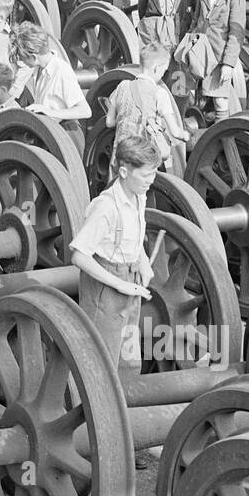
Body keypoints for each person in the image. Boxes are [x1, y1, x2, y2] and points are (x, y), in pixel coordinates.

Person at [69, 134, 159, 467]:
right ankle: (95, 447)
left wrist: (143, 264)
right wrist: (118, 283)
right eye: (145, 173)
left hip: (129, 287)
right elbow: (79, 255)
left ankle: (124, 441)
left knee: (128, 364)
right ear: (123, 170)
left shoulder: (139, 197)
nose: (151, 179)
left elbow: (137, 241)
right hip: (106, 291)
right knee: (100, 369)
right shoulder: (106, 207)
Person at [106, 42, 190, 177]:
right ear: (157, 68)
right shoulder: (160, 93)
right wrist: (185, 135)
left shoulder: (122, 86)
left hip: (120, 156)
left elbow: (109, 122)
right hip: (142, 160)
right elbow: (174, 131)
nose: (162, 75)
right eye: (164, 71)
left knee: (115, 193)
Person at [136, 0, 197, 100]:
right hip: (156, 41)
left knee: (179, 83)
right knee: (156, 81)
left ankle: (179, 116)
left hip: (178, 42)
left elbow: (197, 11)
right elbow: (143, 11)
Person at [14, 21, 91, 150]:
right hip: (49, 133)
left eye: (22, 57)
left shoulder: (61, 71)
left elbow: (85, 111)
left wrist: (51, 112)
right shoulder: (37, 69)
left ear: (34, 56)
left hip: (67, 135)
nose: (21, 61)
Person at [190, 0, 248, 121]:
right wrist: (190, 41)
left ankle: (221, 139)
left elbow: (237, 33)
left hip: (219, 56)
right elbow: (197, 18)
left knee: (220, 100)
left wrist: (228, 64)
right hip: (200, 53)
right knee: (186, 88)